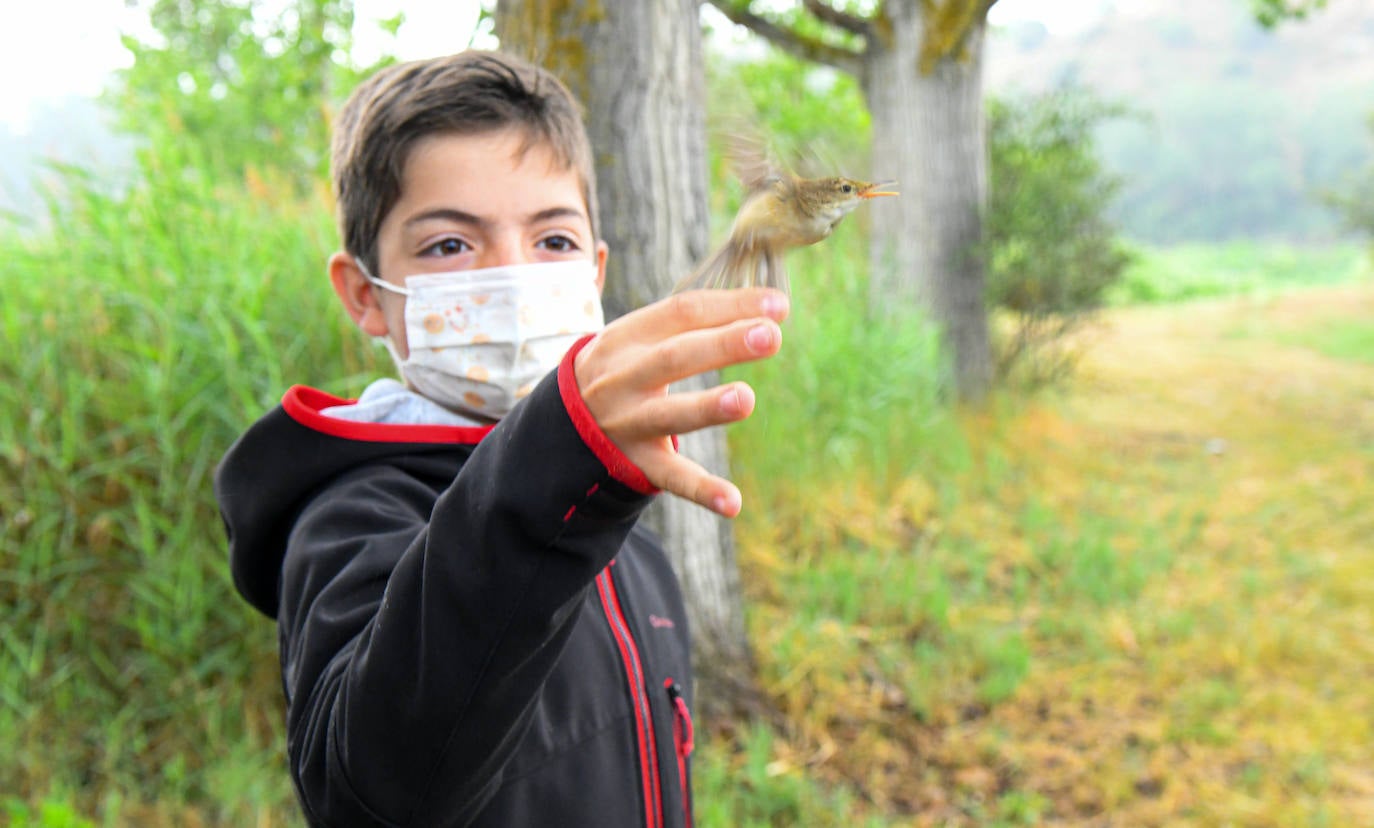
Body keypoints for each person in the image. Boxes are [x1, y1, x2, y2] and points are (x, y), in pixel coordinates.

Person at [213, 50, 788, 827]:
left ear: (594, 270)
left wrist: (578, 477)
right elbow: (369, 790)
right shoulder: (355, 515)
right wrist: (557, 469)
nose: (514, 277)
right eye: (450, 245)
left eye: (553, 241)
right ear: (365, 296)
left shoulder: (619, 519)